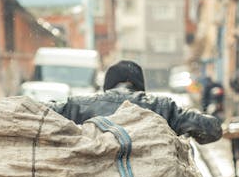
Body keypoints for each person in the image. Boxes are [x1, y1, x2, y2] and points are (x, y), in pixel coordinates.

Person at [51, 59, 222, 144]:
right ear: (140, 85)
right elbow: (212, 129)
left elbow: (35, 112)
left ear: (107, 86)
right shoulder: (162, 107)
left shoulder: (77, 106)